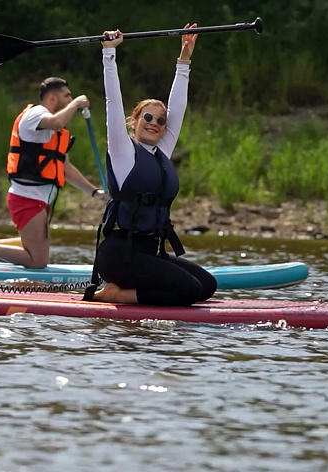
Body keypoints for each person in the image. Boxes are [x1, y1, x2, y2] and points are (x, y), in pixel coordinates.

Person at [85, 24, 217, 306]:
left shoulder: (160, 153)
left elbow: (177, 109)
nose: (155, 124)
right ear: (135, 121)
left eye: (160, 120)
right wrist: (109, 55)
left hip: (151, 252)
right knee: (190, 291)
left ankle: (123, 291)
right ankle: (117, 294)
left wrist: (184, 59)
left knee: (206, 286)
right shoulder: (123, 151)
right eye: (148, 118)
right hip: (122, 254)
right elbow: (112, 101)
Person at [0, 77, 107, 268]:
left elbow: (66, 169)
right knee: (37, 261)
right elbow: (56, 122)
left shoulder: (56, 131)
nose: (71, 100)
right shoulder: (36, 114)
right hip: (27, 198)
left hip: (38, 201)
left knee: (37, 258)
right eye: (67, 96)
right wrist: (78, 103)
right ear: (53, 99)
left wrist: (95, 193)